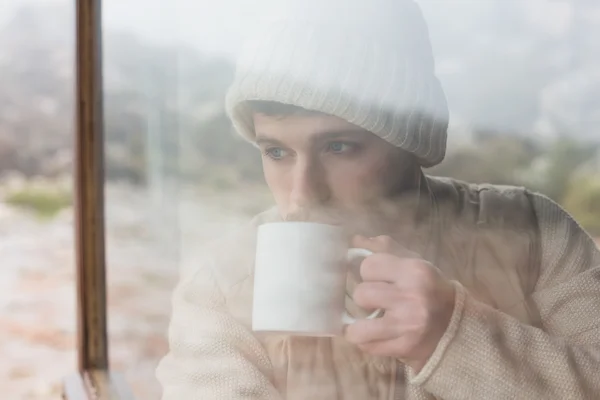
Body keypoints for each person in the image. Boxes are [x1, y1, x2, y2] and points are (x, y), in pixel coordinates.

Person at [156, 0, 600, 399]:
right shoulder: (220, 286)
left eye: (338, 147)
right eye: (277, 152)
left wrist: (455, 337)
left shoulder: (538, 236)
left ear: (408, 137)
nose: (302, 194)